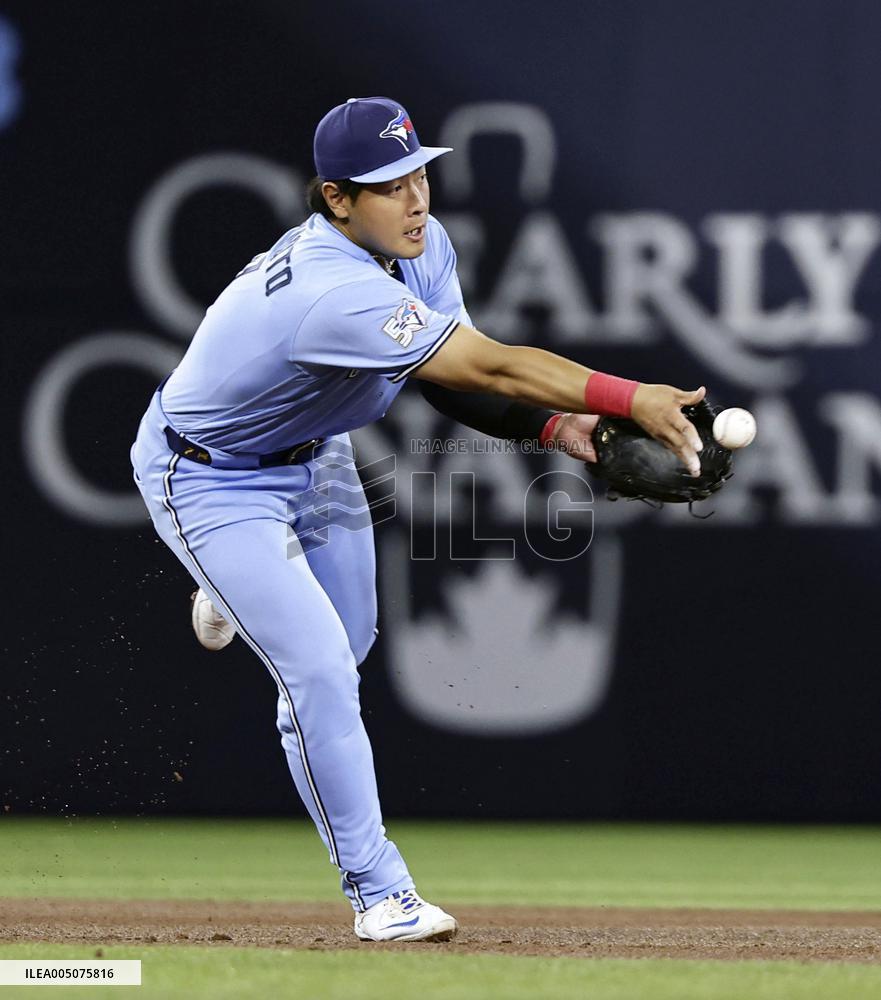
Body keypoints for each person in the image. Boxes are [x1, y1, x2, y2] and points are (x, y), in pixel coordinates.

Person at [131, 96, 706, 942]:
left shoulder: (418, 249)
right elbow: (495, 364)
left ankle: (239, 596)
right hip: (210, 481)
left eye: (418, 173)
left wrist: (559, 428)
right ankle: (377, 893)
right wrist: (628, 396)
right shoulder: (330, 292)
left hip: (315, 457)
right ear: (335, 199)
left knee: (351, 643)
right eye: (387, 185)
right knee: (319, 672)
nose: (416, 199)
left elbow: (448, 377)